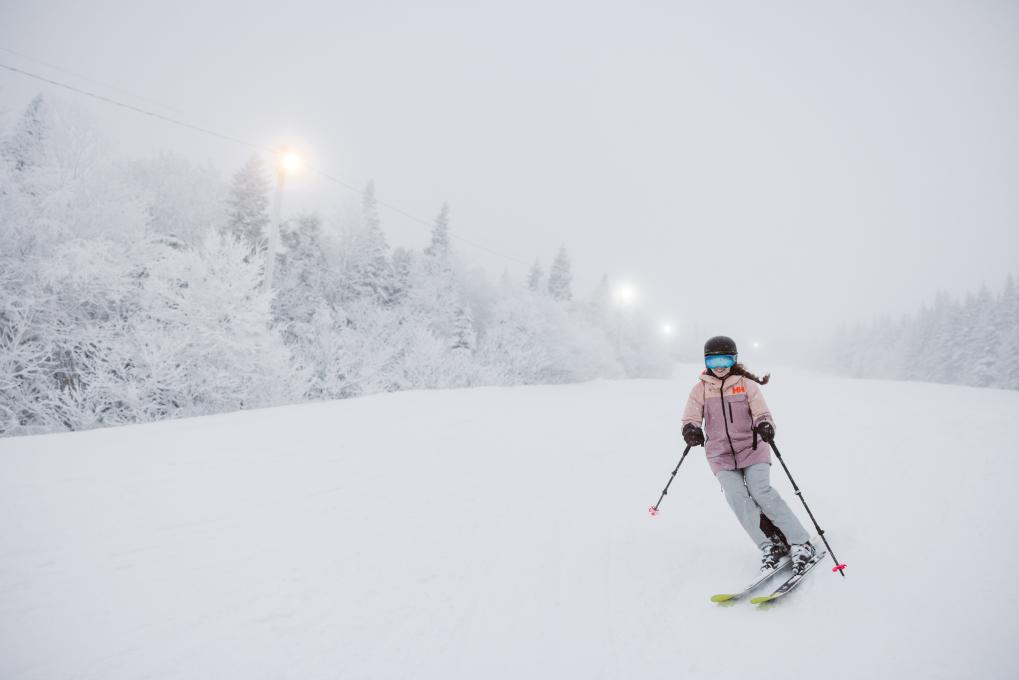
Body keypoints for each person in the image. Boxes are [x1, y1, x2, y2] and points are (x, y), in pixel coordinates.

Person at [681, 335, 816, 574]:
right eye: (713, 362)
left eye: (724, 360)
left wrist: (765, 425)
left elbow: (762, 413)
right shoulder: (699, 390)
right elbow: (690, 418)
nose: (719, 366)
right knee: (737, 498)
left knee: (761, 491)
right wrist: (691, 430)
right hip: (720, 455)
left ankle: (800, 542)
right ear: (706, 363)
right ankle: (770, 544)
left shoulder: (746, 385)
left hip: (752, 449)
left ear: (734, 360)